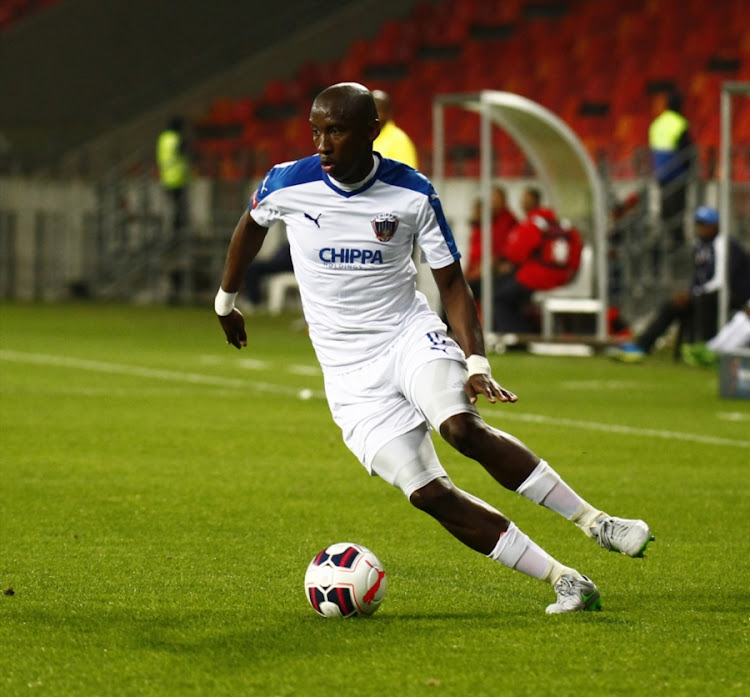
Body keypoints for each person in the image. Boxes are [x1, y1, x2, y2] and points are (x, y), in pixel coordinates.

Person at [214, 83, 652, 614]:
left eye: (336, 130)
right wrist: (225, 300)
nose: (323, 144)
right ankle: (564, 579)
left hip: (406, 337)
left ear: (372, 131)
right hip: (348, 374)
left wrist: (477, 360)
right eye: (316, 131)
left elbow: (452, 285)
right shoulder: (288, 183)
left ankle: (596, 522)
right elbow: (250, 227)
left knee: (461, 429)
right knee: (427, 493)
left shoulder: (412, 193)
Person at [609, 206, 750, 363]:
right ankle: (642, 346)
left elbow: (720, 280)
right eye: (698, 224)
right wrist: (691, 291)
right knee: (672, 305)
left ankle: (706, 347)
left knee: (705, 300)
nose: (701, 228)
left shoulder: (723, 244)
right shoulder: (699, 245)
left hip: (735, 295)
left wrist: (693, 293)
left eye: (705, 224)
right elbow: (700, 278)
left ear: (715, 226)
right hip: (707, 293)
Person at [492, 187, 582, 335]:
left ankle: (516, 336)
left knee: (500, 297)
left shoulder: (533, 224)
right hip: (563, 278)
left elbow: (514, 254)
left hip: (537, 278)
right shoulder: (563, 226)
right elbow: (575, 258)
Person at [648, 92, 693, 247]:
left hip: (661, 174)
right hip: (677, 174)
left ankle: (663, 241)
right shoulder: (680, 123)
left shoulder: (657, 123)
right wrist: (690, 169)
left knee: (665, 209)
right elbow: (686, 150)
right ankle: (677, 243)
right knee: (678, 211)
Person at [464, 186, 518, 301]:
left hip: (494, 270)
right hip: (481, 269)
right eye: (492, 199)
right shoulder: (486, 223)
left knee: (462, 292)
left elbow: (505, 250)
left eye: (496, 198)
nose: (493, 202)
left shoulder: (509, 221)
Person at [681, 299, 750, 367]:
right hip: (718, 348)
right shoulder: (740, 317)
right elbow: (725, 335)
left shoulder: (746, 325)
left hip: (732, 353)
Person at [239, 236, 294, 312]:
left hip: (286, 266)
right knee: (253, 267)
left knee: (254, 267)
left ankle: (254, 301)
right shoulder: (292, 239)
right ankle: (253, 299)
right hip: (278, 263)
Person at [156, 116, 191, 236]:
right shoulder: (176, 139)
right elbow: (183, 153)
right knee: (178, 208)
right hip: (177, 178)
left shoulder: (163, 138)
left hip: (165, 177)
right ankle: (177, 233)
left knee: (171, 208)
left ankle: (171, 232)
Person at [372, 89, 418, 169]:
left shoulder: (399, 140)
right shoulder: (360, 137)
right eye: (370, 110)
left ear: (388, 113)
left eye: (378, 110)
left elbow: (407, 176)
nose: (373, 115)